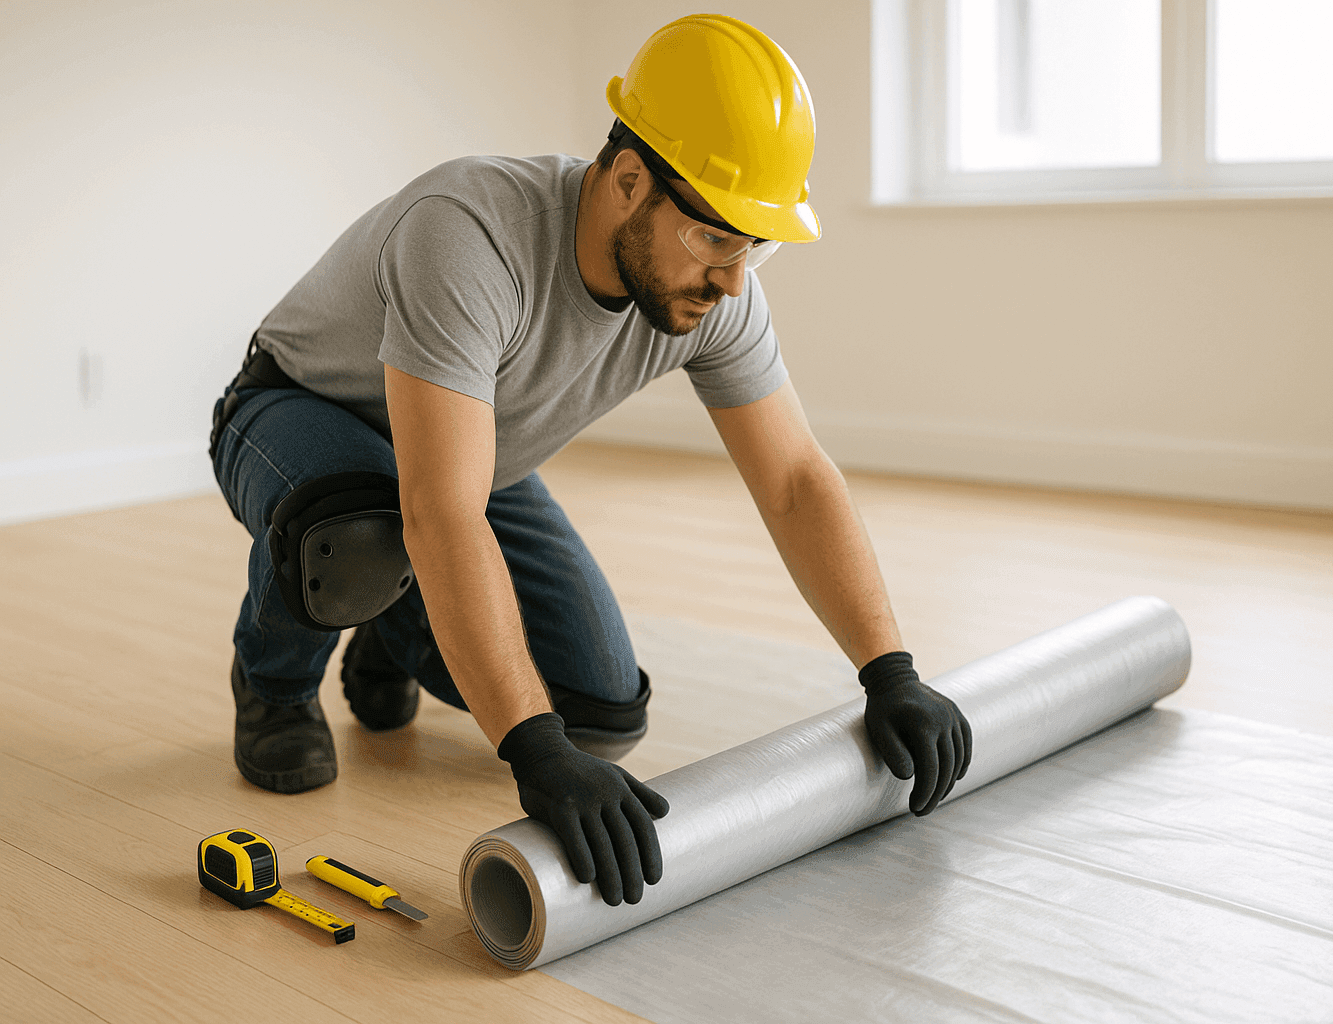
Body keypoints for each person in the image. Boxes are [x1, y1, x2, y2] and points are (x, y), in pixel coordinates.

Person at [208, 13, 971, 908]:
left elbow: (796, 481)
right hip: (295, 411)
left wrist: (890, 672)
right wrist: (528, 745)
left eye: (753, 244)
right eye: (717, 237)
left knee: (603, 714)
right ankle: (274, 685)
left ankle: (390, 617)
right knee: (369, 532)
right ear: (628, 177)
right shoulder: (469, 232)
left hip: (464, 455)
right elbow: (442, 513)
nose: (734, 278)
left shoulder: (717, 293)